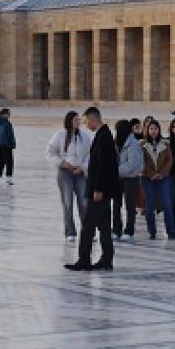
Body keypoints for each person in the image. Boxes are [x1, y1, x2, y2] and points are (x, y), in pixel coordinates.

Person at [65, 106, 119, 271]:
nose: (86, 125)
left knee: (88, 226)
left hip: (99, 191)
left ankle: (84, 260)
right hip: (102, 190)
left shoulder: (103, 137)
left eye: (86, 121)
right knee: (104, 226)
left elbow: (103, 166)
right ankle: (107, 258)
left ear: (93, 119)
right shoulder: (103, 135)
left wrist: (98, 189)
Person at [46, 110, 91, 242]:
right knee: (67, 202)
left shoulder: (85, 137)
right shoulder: (60, 135)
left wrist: (83, 167)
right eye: (76, 120)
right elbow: (49, 152)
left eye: (79, 120)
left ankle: (88, 230)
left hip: (80, 173)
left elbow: (90, 155)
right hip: (65, 173)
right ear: (69, 121)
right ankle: (70, 232)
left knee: (84, 202)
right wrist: (62, 163)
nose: (78, 122)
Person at [140, 119, 174, 238]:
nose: (153, 131)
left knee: (166, 204)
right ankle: (152, 231)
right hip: (147, 178)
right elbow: (142, 162)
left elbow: (169, 160)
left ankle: (170, 231)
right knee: (149, 205)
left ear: (159, 130)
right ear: (147, 130)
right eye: (151, 129)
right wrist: (151, 174)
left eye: (155, 129)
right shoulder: (142, 144)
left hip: (163, 178)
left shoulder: (165, 144)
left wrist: (161, 174)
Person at [113, 118, 143, 241]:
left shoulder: (133, 144)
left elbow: (132, 164)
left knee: (130, 206)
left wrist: (116, 171)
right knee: (116, 205)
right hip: (118, 178)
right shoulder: (116, 142)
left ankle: (129, 231)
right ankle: (116, 229)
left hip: (131, 178)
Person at [0, 108, 16, 185]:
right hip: (7, 144)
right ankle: (8, 178)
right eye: (8, 113)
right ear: (4, 114)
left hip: (0, 144)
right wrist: (13, 144)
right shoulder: (7, 123)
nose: (9, 115)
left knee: (0, 161)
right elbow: (10, 135)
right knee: (9, 162)